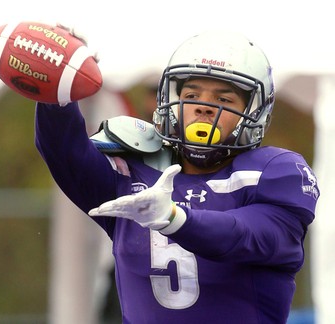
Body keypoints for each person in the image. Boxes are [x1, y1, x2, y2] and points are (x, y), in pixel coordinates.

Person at [34, 30, 319, 323]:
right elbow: (65, 152)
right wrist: (57, 94)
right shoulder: (136, 169)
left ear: (255, 112)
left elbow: (249, 235)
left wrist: (174, 218)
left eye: (224, 98)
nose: (204, 106)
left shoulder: (274, 171)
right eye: (192, 95)